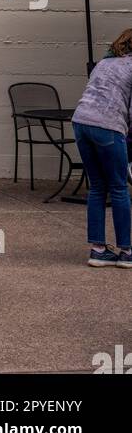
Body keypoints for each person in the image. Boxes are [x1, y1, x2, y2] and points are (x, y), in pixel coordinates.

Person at [71, 28, 132, 267]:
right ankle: (127, 252)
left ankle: (98, 250)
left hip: (81, 122)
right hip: (108, 125)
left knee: (97, 187)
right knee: (118, 188)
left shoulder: (103, 64)